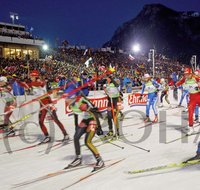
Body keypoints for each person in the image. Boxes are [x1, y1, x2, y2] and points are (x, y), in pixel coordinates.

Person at [19, 70, 69, 143]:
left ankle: (66, 135)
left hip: (48, 104)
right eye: (31, 76)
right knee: (40, 121)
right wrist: (19, 82)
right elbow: (26, 86)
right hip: (42, 105)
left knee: (56, 120)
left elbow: (40, 84)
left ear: (36, 77)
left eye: (32, 76)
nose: (31, 77)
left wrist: (27, 84)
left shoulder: (40, 82)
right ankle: (47, 136)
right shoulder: (33, 84)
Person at [64, 94, 104, 171]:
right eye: (66, 99)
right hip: (85, 120)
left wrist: (98, 127)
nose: (66, 101)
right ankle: (78, 158)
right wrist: (76, 126)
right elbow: (76, 115)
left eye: (67, 99)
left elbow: (94, 113)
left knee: (87, 141)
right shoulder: (72, 105)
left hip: (93, 119)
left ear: (72, 98)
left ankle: (100, 160)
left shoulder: (81, 103)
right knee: (76, 137)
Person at [176, 68, 200, 135]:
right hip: (192, 97)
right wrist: (175, 85)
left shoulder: (196, 77)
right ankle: (191, 128)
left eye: (188, 74)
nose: (186, 76)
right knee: (190, 112)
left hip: (198, 96)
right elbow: (179, 83)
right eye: (185, 74)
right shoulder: (185, 78)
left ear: (191, 73)